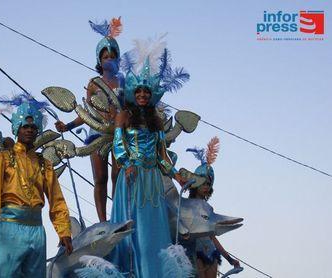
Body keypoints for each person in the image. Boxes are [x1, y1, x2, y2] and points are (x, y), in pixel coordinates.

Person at [110, 43, 189, 277]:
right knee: (134, 232)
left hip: (152, 181)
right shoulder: (123, 116)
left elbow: (161, 155)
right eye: (139, 91)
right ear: (133, 93)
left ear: (151, 95)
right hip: (131, 178)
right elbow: (118, 145)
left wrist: (176, 175)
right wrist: (126, 165)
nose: (143, 95)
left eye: (146, 92)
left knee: (153, 233)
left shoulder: (155, 121)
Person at [0, 101, 73, 278]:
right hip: (9, 228)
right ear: (17, 128)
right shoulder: (2, 158)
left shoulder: (45, 164)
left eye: (33, 127)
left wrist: (64, 231)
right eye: (25, 126)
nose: (29, 130)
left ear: (38, 130)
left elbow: (57, 200)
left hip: (36, 230)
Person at [56, 17, 123, 222]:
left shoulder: (124, 82)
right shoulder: (93, 83)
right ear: (99, 59)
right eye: (105, 56)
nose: (109, 59)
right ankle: (103, 221)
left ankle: (119, 215)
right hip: (97, 134)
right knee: (100, 178)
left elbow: (130, 109)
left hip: (119, 134)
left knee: (118, 178)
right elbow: (87, 114)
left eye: (112, 56)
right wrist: (67, 126)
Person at [186, 137, 240, 278]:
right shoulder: (185, 204)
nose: (206, 187)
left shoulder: (209, 208)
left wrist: (229, 259)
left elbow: (213, 237)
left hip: (211, 252)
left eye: (208, 184)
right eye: (203, 183)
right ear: (195, 183)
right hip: (193, 252)